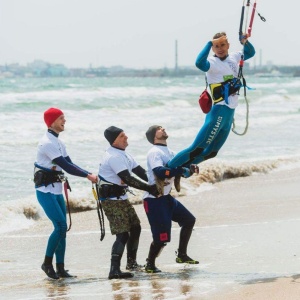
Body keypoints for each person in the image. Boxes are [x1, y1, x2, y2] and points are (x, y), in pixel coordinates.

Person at [167, 32, 255, 169]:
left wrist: (245, 42)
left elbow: (251, 52)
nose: (220, 48)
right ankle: (165, 171)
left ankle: (183, 171)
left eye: (222, 45)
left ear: (228, 45)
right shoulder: (212, 63)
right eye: (216, 46)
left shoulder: (235, 57)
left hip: (229, 113)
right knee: (197, 148)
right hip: (218, 110)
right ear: (213, 49)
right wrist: (209, 43)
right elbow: (199, 63)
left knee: (212, 153)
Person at [34, 107, 98, 280]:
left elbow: (70, 163)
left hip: (56, 190)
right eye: (61, 118)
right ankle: (47, 263)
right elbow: (67, 167)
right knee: (60, 226)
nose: (65, 121)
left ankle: (60, 268)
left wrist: (88, 172)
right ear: (52, 121)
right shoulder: (46, 142)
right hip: (45, 191)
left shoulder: (58, 142)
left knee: (63, 229)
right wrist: (88, 176)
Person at [98, 126, 159, 280]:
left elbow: (140, 172)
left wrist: (155, 183)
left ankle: (131, 263)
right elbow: (128, 179)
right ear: (114, 140)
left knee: (135, 227)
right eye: (122, 136)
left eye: (125, 135)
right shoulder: (113, 156)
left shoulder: (124, 155)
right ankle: (114, 270)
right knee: (123, 233)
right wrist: (150, 189)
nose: (126, 138)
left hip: (121, 199)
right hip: (110, 201)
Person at [143, 125, 199, 273]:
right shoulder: (154, 152)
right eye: (160, 128)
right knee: (161, 238)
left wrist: (190, 169)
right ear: (154, 136)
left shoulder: (171, 152)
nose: (163, 129)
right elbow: (160, 172)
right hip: (154, 200)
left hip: (167, 198)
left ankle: (182, 254)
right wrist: (178, 170)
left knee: (189, 220)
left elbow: (182, 171)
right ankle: (150, 264)